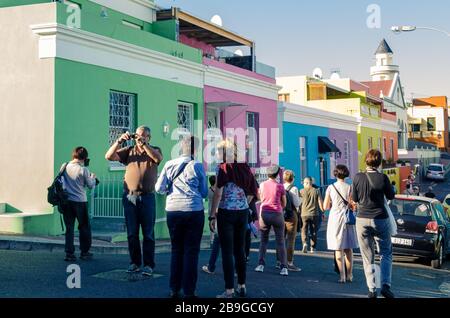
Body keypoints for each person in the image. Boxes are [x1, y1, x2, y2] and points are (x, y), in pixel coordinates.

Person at [105, 126, 163, 276]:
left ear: (149, 137)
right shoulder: (129, 150)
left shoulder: (154, 149)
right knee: (132, 233)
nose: (139, 138)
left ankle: (149, 265)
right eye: (137, 135)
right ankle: (135, 263)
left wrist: (144, 144)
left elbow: (158, 158)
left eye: (143, 136)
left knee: (148, 233)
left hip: (147, 197)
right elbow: (109, 156)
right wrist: (119, 141)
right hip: (130, 197)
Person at [155, 135, 207, 299]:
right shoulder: (197, 165)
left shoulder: (169, 164)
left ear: (180, 147)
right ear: (196, 149)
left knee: (176, 250)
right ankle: (189, 291)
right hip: (193, 210)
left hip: (173, 210)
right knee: (191, 251)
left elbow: (159, 188)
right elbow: (204, 192)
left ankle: (174, 288)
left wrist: (170, 193)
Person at [210, 139, 258, 298]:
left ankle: (229, 290)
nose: (217, 154)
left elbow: (218, 193)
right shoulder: (245, 167)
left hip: (226, 213)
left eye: (218, 151)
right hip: (242, 212)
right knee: (240, 250)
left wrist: (212, 215)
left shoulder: (222, 168)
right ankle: (242, 286)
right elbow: (253, 191)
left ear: (224, 152)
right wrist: (243, 203)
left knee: (227, 252)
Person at [352, 149, 395, 298]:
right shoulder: (383, 178)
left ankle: (371, 289)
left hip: (362, 219)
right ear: (379, 162)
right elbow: (391, 195)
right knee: (386, 253)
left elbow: (355, 199)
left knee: (367, 255)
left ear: (366, 160)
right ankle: (385, 285)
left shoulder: (357, 177)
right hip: (380, 219)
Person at [324, 165, 359, 283]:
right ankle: (350, 275)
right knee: (348, 248)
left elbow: (326, 207)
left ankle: (342, 276)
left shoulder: (330, 187)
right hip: (347, 219)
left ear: (335, 174)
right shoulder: (350, 188)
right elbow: (354, 205)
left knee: (338, 248)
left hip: (335, 219)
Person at [61, 147, 96, 262]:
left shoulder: (64, 166)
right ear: (84, 158)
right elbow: (90, 185)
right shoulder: (83, 169)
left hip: (67, 201)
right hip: (80, 201)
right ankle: (84, 252)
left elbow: (61, 182)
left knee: (69, 228)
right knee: (84, 227)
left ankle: (69, 253)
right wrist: (93, 178)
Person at [255, 165, 289, 276]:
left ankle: (261, 264)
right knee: (280, 241)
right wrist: (280, 207)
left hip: (264, 213)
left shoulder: (262, 185)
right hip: (277, 214)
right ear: (277, 174)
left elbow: (260, 198)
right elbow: (284, 203)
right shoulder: (280, 186)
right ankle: (283, 267)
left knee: (263, 240)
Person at [278, 170, 301, 272]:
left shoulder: (280, 187)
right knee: (291, 239)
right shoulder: (294, 188)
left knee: (281, 238)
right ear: (293, 178)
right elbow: (296, 203)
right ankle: (289, 262)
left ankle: (279, 261)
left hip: (280, 214)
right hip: (291, 215)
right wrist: (300, 199)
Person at [202, 175, 221, 274]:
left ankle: (211, 240)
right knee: (217, 226)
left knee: (212, 228)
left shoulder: (209, 190)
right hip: (219, 209)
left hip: (211, 209)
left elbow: (205, 197)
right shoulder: (219, 189)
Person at [300, 177, 324, 253]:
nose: (303, 184)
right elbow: (320, 202)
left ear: (307, 183)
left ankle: (304, 243)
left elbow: (299, 203)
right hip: (314, 214)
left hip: (304, 214)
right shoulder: (317, 191)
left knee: (304, 229)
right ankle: (312, 247)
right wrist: (322, 211)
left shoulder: (301, 191)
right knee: (313, 231)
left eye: (304, 182)